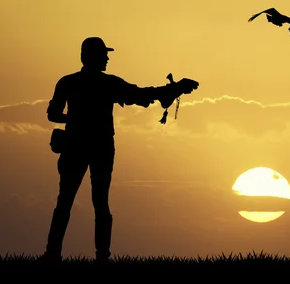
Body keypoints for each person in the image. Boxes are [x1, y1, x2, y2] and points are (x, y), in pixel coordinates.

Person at [39, 37, 199, 264]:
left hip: (78, 145)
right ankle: (101, 258)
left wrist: (74, 121)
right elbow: (141, 95)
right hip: (99, 147)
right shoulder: (108, 84)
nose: (107, 58)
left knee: (66, 202)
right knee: (97, 203)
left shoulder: (68, 82)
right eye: (103, 54)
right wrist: (172, 89)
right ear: (91, 57)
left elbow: (53, 114)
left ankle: (53, 255)